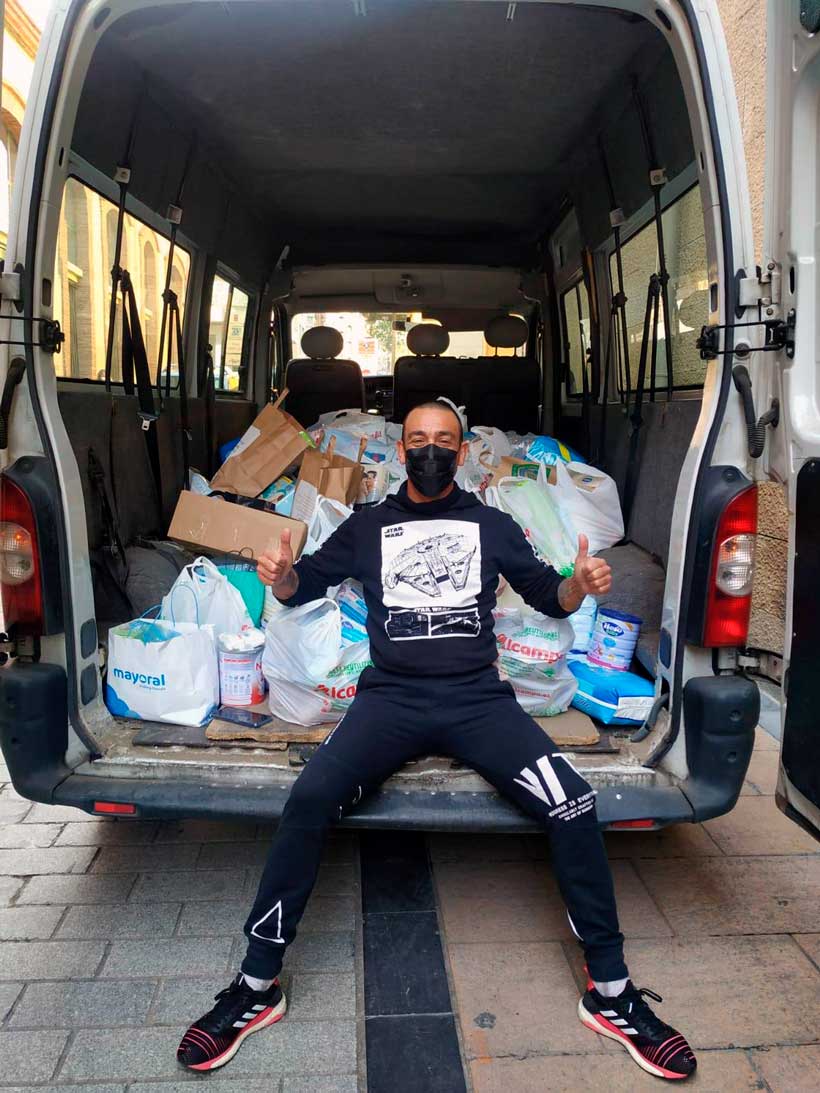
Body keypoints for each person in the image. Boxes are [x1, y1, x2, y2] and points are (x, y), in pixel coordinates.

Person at [178, 401, 696, 1081]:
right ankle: (255, 984)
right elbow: (307, 585)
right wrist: (282, 576)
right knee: (309, 798)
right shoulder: (368, 525)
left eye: (443, 440)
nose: (430, 449)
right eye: (418, 439)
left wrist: (580, 583)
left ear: (462, 451)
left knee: (571, 802)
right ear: (401, 451)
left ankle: (612, 992)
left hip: (477, 701)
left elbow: (550, 596)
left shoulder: (492, 525)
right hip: (389, 702)